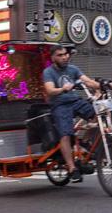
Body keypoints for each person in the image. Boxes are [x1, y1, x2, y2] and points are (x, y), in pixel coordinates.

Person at [42, 45, 102, 182]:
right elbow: (50, 90)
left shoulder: (73, 69)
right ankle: (72, 168)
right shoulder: (48, 72)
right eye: (60, 55)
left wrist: (103, 84)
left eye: (65, 54)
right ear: (53, 58)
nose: (64, 57)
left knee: (99, 114)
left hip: (75, 101)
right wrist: (62, 89)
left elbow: (87, 81)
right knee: (65, 134)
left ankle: (85, 141)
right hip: (60, 105)